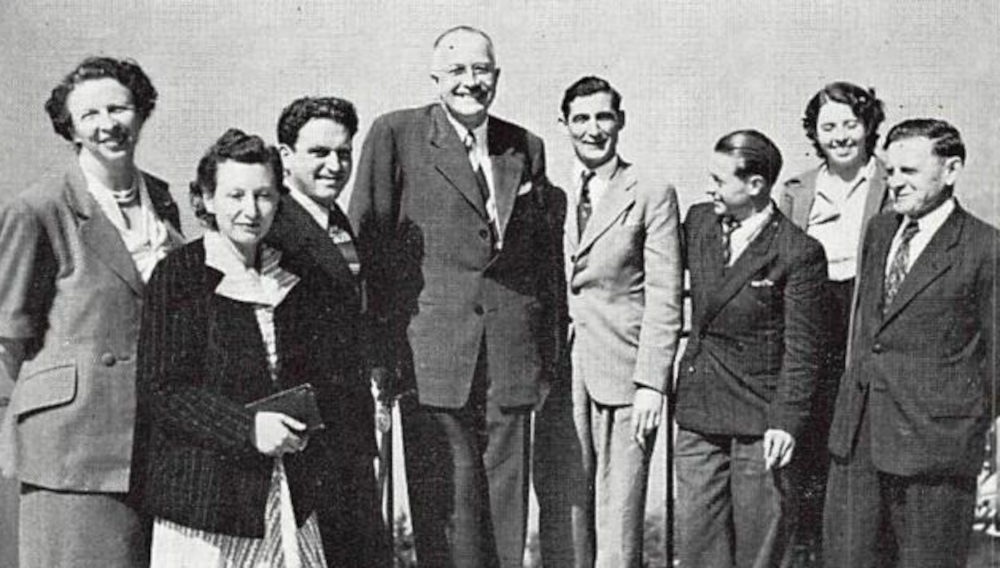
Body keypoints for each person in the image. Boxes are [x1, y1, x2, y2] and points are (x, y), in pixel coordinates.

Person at [349, 25, 560, 567]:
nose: (471, 82)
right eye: (458, 71)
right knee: (444, 510)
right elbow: (367, 244)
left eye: (482, 70)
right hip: (431, 356)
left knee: (507, 514)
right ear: (436, 78)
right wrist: (377, 353)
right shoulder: (397, 134)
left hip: (510, 357)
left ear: (497, 76)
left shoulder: (525, 146)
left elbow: (541, 262)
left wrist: (546, 356)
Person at [133, 129, 372, 567]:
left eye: (263, 195)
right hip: (207, 505)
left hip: (289, 494)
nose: (250, 210)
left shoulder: (298, 274)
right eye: (235, 195)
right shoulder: (180, 275)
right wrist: (247, 430)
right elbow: (162, 390)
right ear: (206, 199)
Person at [0, 56, 183, 568]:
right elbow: (9, 336)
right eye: (90, 115)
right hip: (74, 448)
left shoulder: (162, 201)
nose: (108, 124)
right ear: (71, 128)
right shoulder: (38, 209)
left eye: (119, 108)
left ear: (141, 112)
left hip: (152, 440)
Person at [823, 119, 1000, 568]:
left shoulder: (984, 248)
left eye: (910, 172)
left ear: (952, 169)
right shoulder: (881, 232)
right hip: (858, 443)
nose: (895, 183)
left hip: (934, 453)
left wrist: (963, 429)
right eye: (891, 172)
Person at [534, 76, 682, 568]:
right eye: (581, 118)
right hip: (559, 373)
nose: (593, 129)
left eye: (603, 117)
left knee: (618, 519)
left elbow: (664, 294)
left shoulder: (651, 192)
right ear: (564, 125)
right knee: (563, 510)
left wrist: (651, 383)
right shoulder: (548, 196)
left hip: (623, 372)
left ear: (620, 121)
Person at [673, 130, 827, 568]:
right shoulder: (699, 222)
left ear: (756, 185)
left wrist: (786, 421)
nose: (710, 189)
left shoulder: (797, 252)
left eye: (720, 180)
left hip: (761, 424)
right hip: (699, 416)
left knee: (760, 549)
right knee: (698, 543)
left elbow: (802, 350)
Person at [268, 96, 389, 567]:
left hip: (349, 431)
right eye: (319, 153)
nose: (334, 165)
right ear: (285, 155)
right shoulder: (273, 225)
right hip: (304, 436)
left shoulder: (339, 223)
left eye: (343, 153)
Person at [775, 81, 891, 561]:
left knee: (860, 444)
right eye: (829, 127)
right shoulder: (798, 188)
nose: (841, 135)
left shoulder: (890, 181)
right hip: (812, 314)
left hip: (865, 315)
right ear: (815, 134)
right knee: (812, 439)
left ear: (867, 128)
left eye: (850, 124)